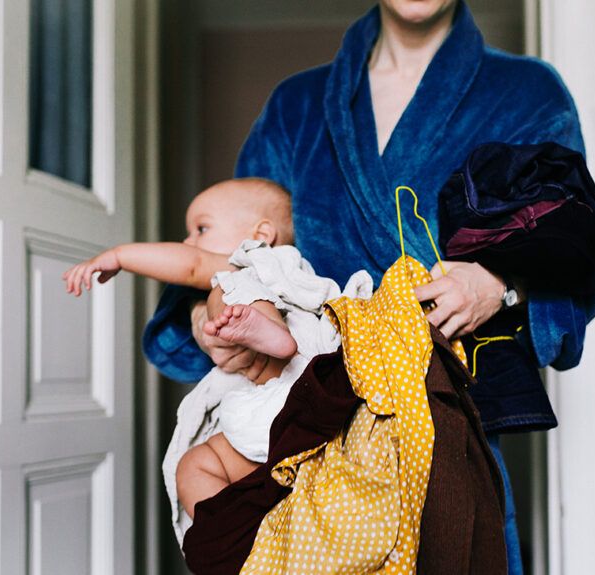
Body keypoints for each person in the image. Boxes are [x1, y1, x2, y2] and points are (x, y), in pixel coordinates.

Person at [144, 1, 595, 572]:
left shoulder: (524, 92)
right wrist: (207, 317)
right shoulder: (297, 106)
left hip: (437, 421)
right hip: (298, 420)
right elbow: (231, 246)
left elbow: (583, 248)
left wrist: (499, 282)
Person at [65, 177, 368, 520]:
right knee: (193, 466)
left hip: (296, 377)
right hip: (269, 417)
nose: (189, 241)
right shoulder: (292, 274)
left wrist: (119, 256)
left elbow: (191, 263)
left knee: (226, 290)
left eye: (201, 228)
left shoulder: (255, 261)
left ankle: (270, 331)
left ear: (261, 235)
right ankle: (237, 536)